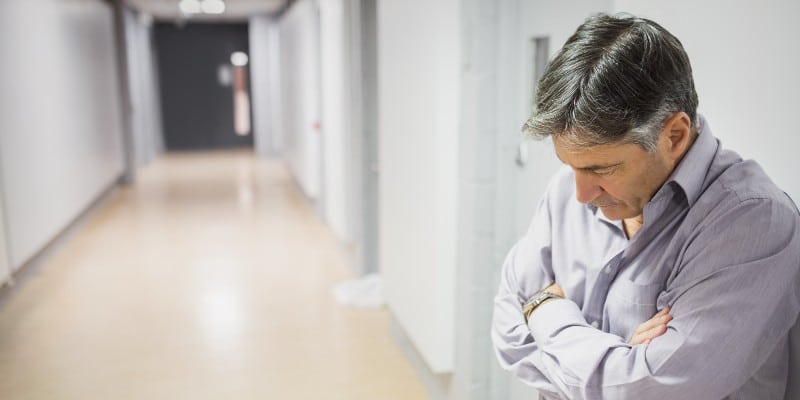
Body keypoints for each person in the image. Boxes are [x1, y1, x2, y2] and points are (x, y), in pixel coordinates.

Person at [491, 13, 800, 400]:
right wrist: (618, 367)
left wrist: (545, 312)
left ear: (674, 135)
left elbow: (652, 392)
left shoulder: (754, 222)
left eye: (601, 168)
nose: (581, 194)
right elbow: (507, 331)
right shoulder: (566, 191)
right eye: (569, 165)